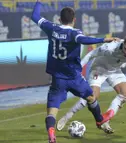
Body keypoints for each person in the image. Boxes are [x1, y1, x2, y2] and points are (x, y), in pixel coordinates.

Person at [31, 1, 118, 143]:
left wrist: (39, 2)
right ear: (74, 20)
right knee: (91, 98)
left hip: (57, 79)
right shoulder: (74, 33)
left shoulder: (51, 28)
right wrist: (103, 39)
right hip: (74, 77)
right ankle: (99, 120)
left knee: (52, 110)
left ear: (59, 19)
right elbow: (84, 40)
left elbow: (34, 15)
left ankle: (51, 134)